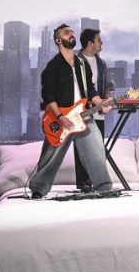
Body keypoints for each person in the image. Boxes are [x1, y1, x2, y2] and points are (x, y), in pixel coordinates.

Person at [29, 24, 114, 199]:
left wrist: (100, 102)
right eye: (66, 33)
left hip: (83, 116)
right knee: (51, 155)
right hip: (60, 118)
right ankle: (38, 188)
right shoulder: (52, 67)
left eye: (72, 32)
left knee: (97, 149)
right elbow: (48, 96)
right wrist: (60, 117)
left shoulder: (82, 64)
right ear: (58, 40)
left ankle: (104, 188)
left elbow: (91, 90)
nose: (71, 34)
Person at [75, 28, 115, 192]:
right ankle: (83, 182)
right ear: (90, 43)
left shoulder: (102, 63)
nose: (101, 43)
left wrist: (106, 101)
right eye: (99, 40)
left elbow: (107, 85)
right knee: (81, 149)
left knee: (98, 147)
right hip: (79, 112)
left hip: (97, 112)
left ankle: (98, 182)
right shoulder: (75, 61)